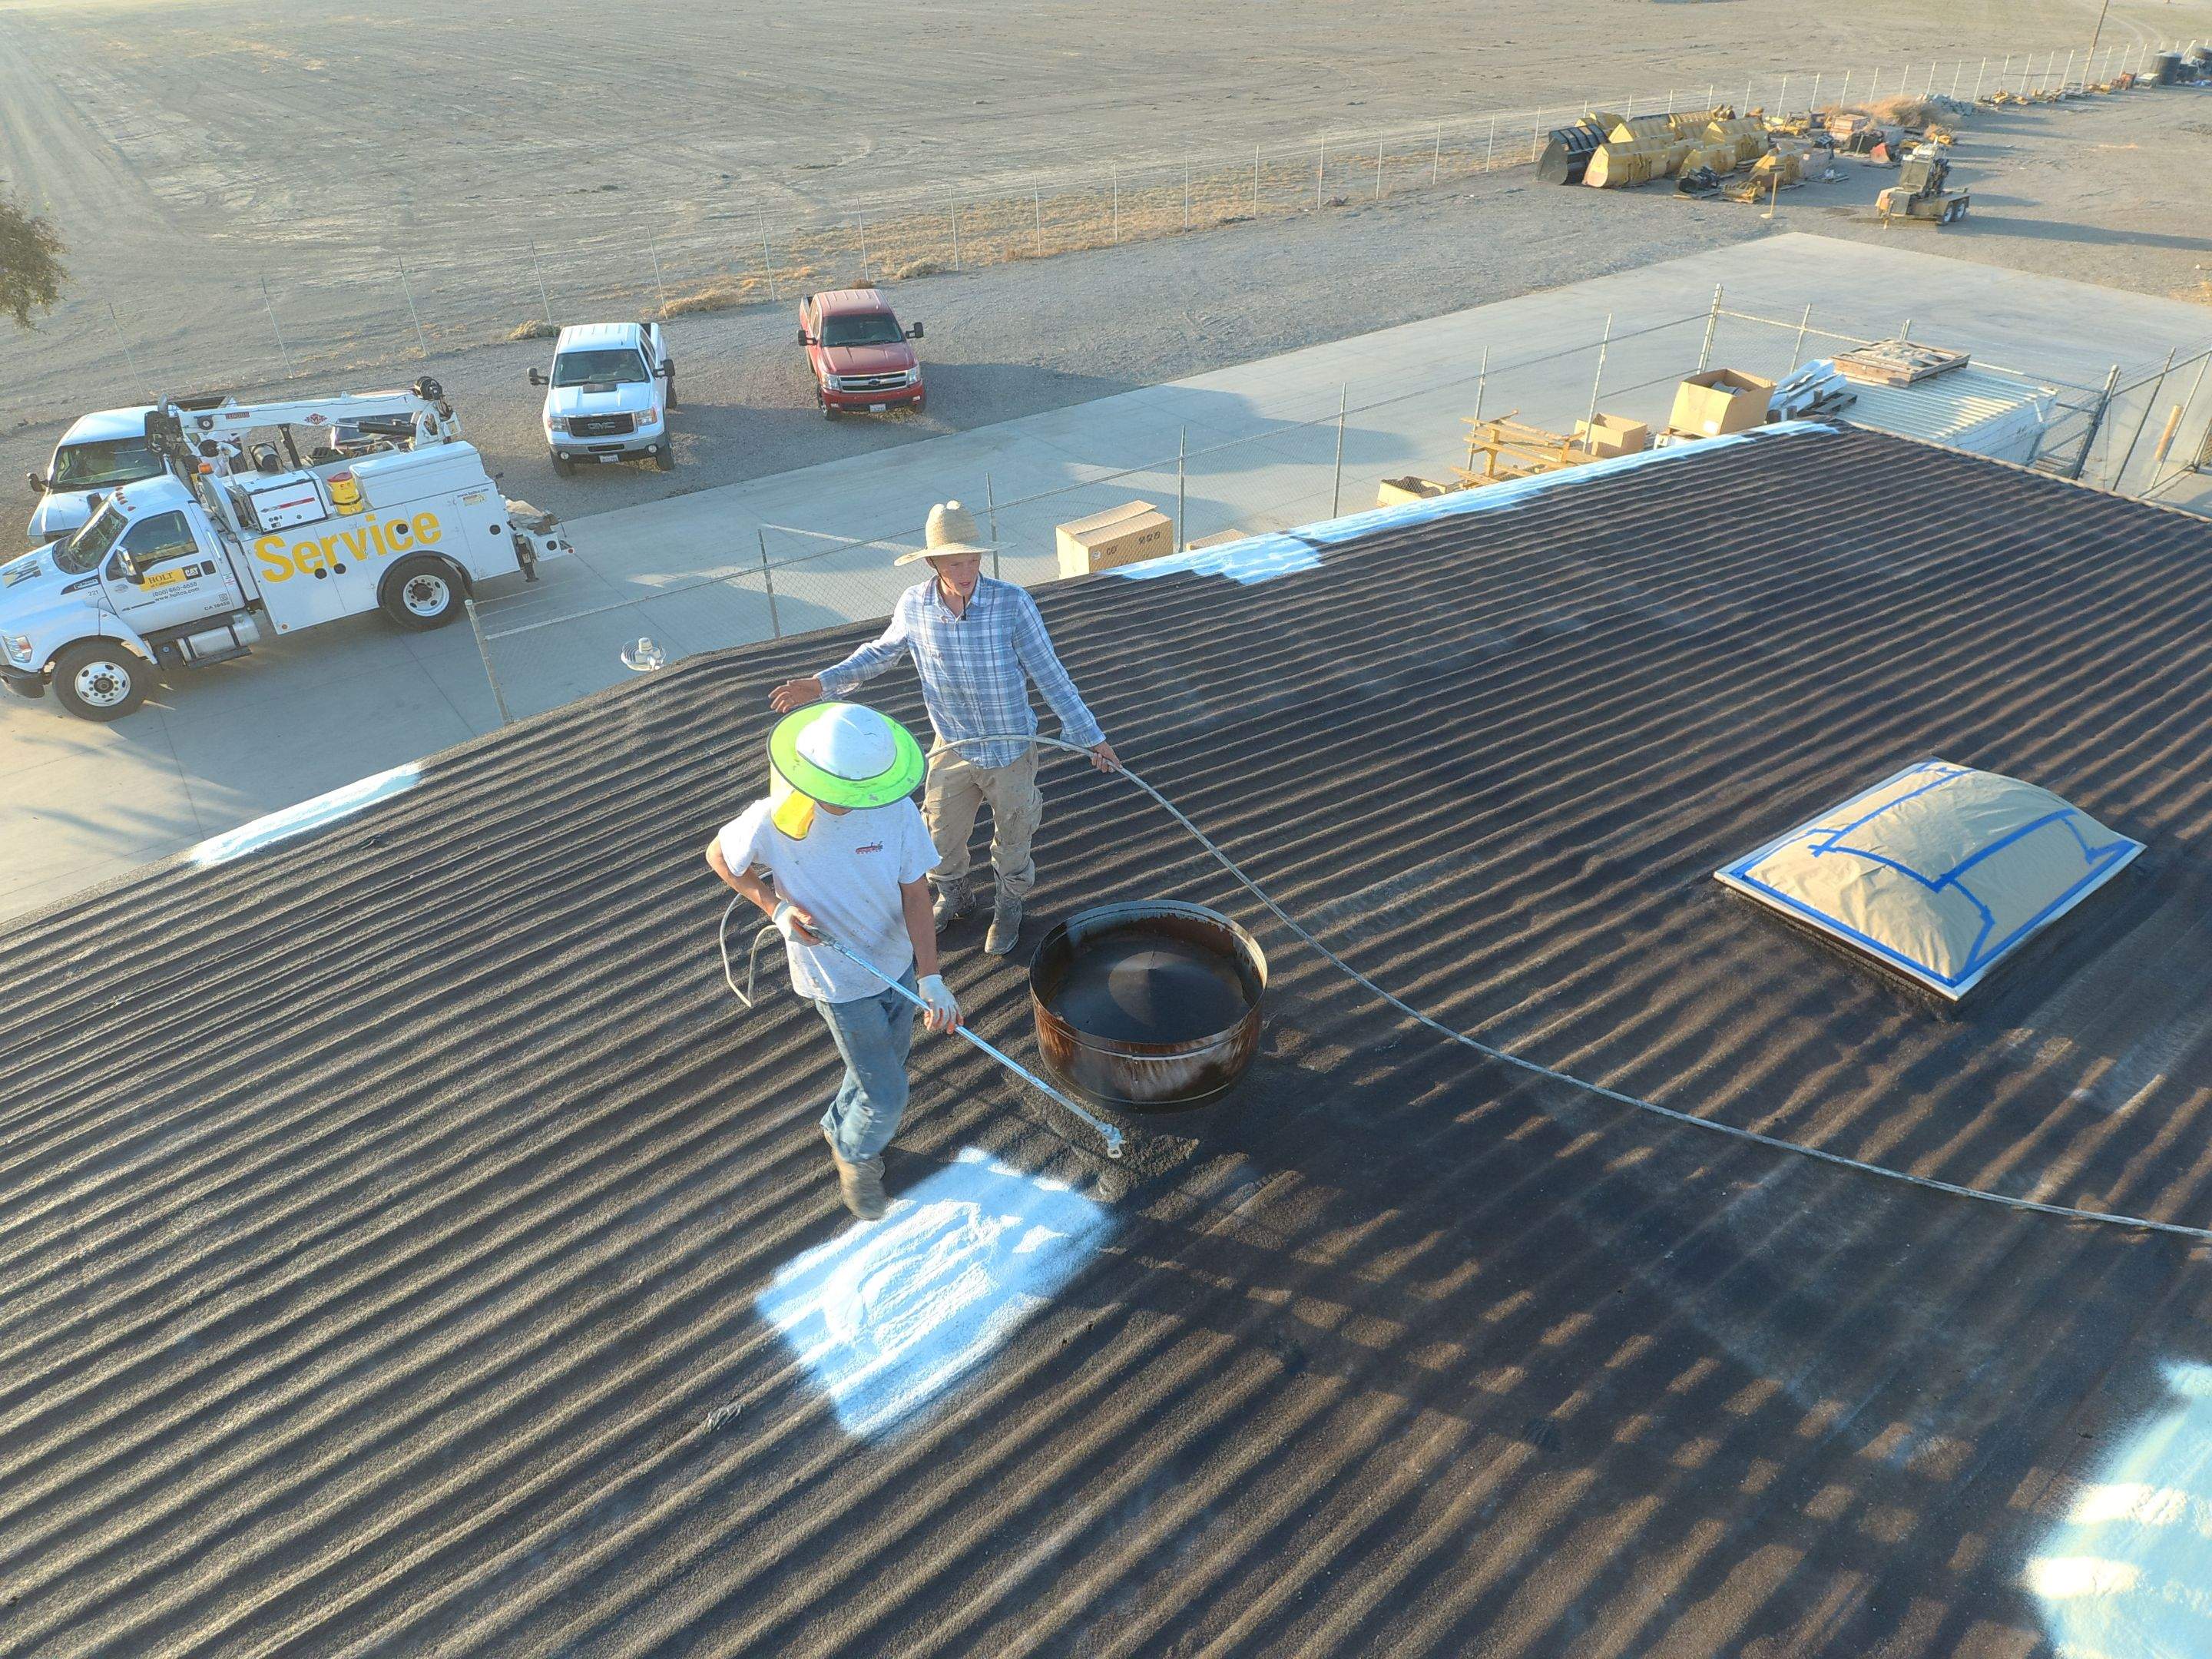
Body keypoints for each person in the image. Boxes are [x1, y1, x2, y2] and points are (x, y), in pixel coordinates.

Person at [770, 499, 1118, 958]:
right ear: (933, 562)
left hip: (1011, 748)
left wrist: (1092, 737)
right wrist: (821, 684)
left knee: (1014, 834)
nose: (967, 569)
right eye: (956, 562)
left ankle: (1009, 903)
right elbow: (879, 654)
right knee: (936, 835)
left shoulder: (1012, 603)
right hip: (952, 745)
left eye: (973, 559)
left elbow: (1050, 675)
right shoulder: (915, 605)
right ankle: (955, 896)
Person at [706, 700, 960, 1220]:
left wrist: (931, 977)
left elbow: (916, 894)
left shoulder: (895, 810)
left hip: (898, 965)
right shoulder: (776, 819)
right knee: (887, 1094)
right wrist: (775, 908)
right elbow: (718, 857)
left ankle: (839, 1122)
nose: (859, 803)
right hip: (838, 980)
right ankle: (855, 1153)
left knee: (881, 1065)